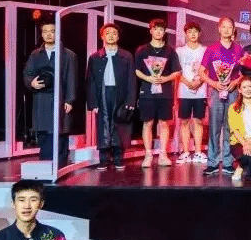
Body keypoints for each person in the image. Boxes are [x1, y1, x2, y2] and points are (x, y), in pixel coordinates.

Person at [23, 19, 77, 166]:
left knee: (60, 131)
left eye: (52, 31)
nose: (49, 34)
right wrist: (31, 83)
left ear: (58, 33)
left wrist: (70, 100)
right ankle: (46, 164)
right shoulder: (35, 54)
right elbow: (27, 74)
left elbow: (71, 78)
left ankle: (60, 165)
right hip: (41, 98)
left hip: (60, 98)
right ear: (41, 34)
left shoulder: (68, 55)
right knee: (44, 132)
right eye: (45, 31)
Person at [85, 23, 136, 170]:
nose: (111, 36)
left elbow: (131, 80)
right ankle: (104, 159)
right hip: (102, 93)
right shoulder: (95, 57)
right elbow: (90, 81)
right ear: (102, 36)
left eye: (114, 33)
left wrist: (130, 100)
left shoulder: (126, 56)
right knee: (103, 125)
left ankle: (118, 158)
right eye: (107, 33)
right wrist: (93, 102)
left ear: (118, 36)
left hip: (120, 93)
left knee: (119, 125)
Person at [134, 19, 181, 167]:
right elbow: (136, 70)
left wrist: (165, 78)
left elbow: (177, 71)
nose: (158, 32)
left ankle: (163, 154)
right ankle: (148, 154)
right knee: (147, 122)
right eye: (156, 29)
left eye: (161, 29)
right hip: (147, 91)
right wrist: (148, 78)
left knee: (164, 123)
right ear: (151, 31)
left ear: (164, 32)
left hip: (164, 91)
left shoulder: (170, 51)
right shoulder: (142, 50)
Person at [201, 17, 243, 175]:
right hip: (216, 91)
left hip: (233, 92)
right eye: (223, 27)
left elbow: (243, 73)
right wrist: (213, 83)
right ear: (219, 29)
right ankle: (212, 162)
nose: (226, 30)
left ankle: (227, 162)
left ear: (233, 30)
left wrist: (235, 82)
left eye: (229, 27)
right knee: (214, 127)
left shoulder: (239, 49)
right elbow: (201, 72)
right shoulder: (211, 49)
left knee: (230, 127)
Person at [174, 22, 208, 164]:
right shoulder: (179, 51)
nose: (193, 34)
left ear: (199, 34)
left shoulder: (205, 50)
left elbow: (207, 70)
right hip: (184, 91)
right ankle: (186, 152)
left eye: (195, 31)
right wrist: (188, 83)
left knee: (199, 121)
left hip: (200, 91)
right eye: (190, 31)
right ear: (186, 34)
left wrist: (199, 82)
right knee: (184, 121)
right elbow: (176, 71)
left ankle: (198, 152)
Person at [225, 77, 251, 181]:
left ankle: (247, 166)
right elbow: (234, 129)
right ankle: (240, 166)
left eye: (250, 86)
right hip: (239, 142)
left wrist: (250, 142)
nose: (248, 89)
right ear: (239, 90)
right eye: (244, 87)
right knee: (247, 156)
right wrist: (245, 143)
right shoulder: (233, 107)